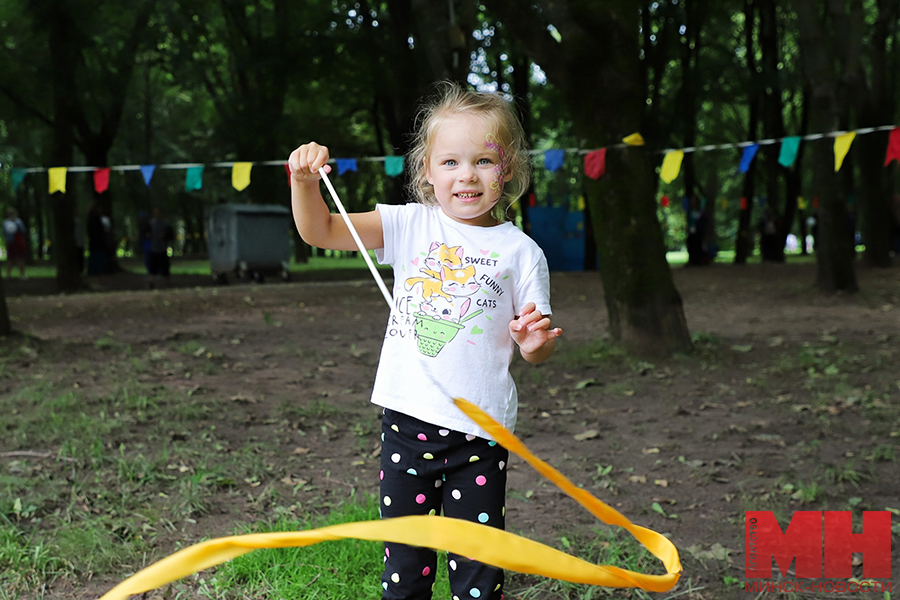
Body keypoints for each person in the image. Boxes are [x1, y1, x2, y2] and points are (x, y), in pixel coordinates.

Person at [288, 82, 561, 600]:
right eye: (451, 162)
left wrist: (533, 342)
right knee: (405, 568)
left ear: (507, 170)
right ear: (427, 172)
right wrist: (304, 182)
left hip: (479, 437)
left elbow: (538, 348)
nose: (467, 175)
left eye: (484, 160)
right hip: (407, 426)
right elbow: (319, 230)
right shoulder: (410, 225)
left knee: (479, 570)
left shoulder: (521, 252)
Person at [147, 207, 174, 289]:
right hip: (153, 248)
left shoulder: (166, 224)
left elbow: (171, 236)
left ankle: (168, 283)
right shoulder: (150, 224)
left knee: (165, 267)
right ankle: (151, 283)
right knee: (152, 267)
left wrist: (164, 237)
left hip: (162, 248)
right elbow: (145, 234)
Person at [2, 207, 27, 279]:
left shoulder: (17, 222)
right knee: (13, 259)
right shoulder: (7, 222)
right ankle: (10, 274)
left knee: (18, 258)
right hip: (13, 243)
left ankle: (18, 274)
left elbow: (22, 231)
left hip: (16, 243)